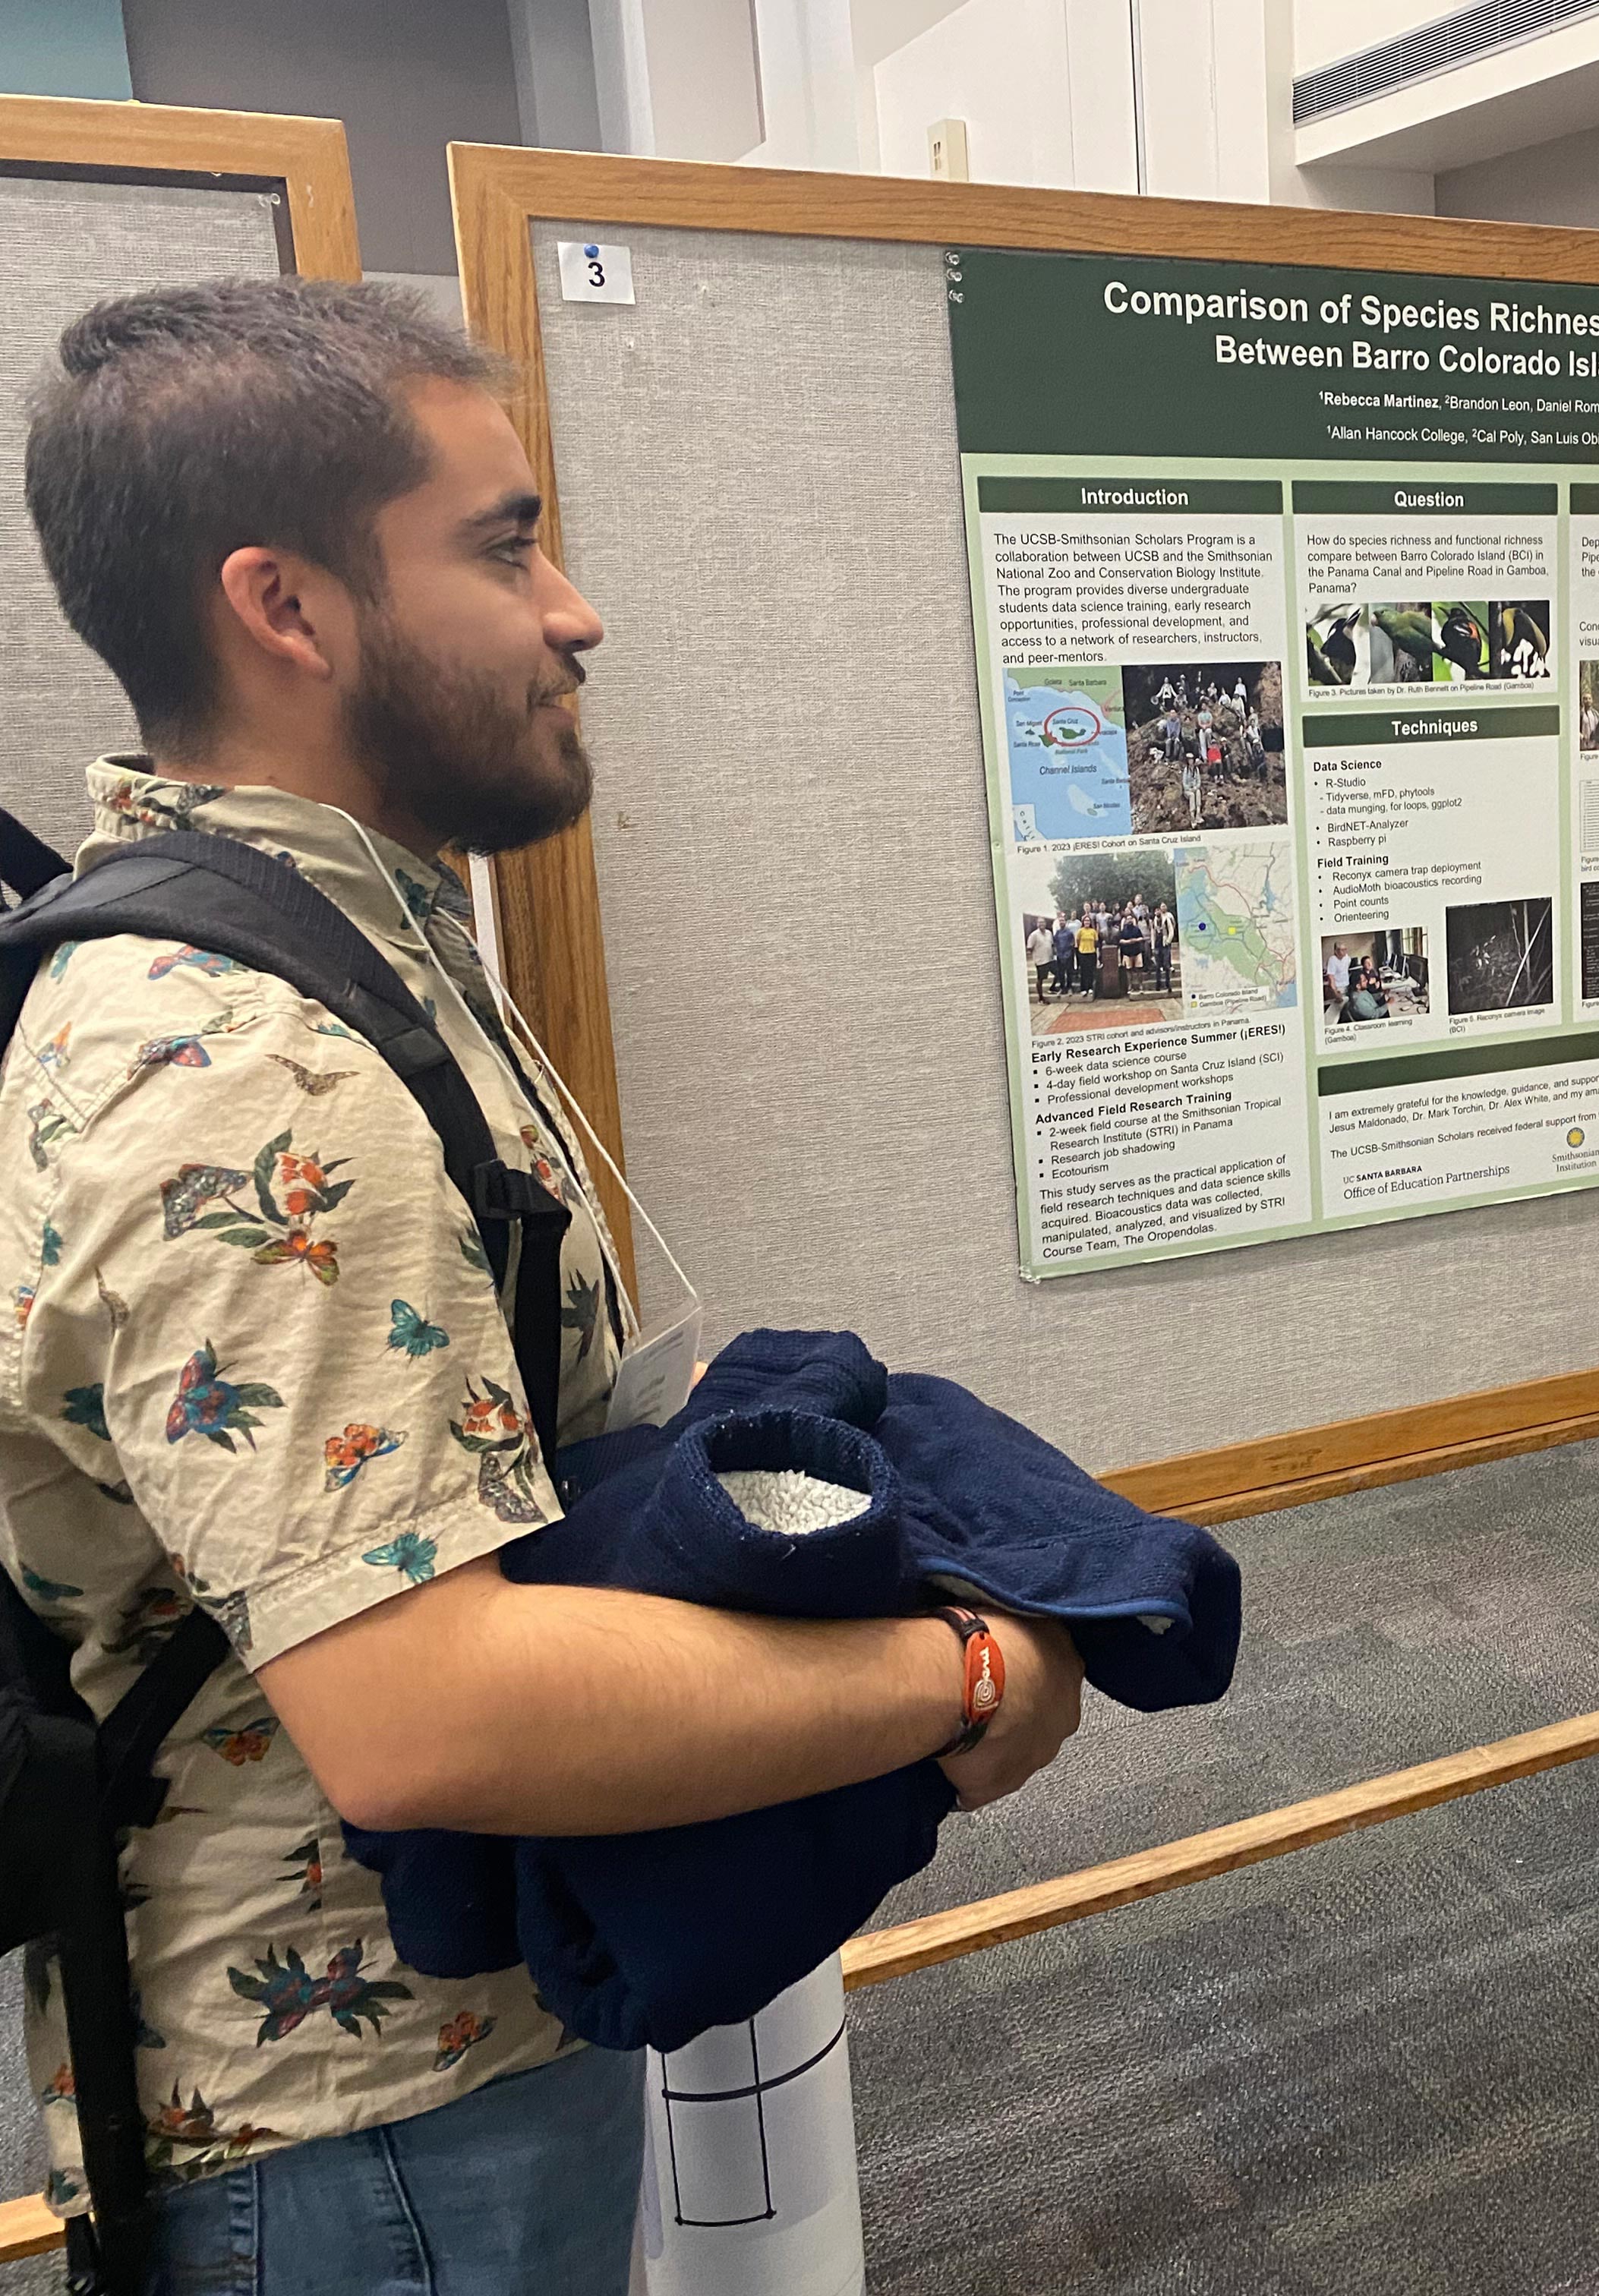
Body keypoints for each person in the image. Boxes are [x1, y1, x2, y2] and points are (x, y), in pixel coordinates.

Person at [1, 279, 1087, 2290]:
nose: (574, 610)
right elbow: (425, 1719)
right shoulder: (234, 1061)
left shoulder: (331, 943)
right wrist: (963, 1684)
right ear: (290, 608)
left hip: (453, 2038)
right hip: (358, 2125)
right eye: (504, 547)